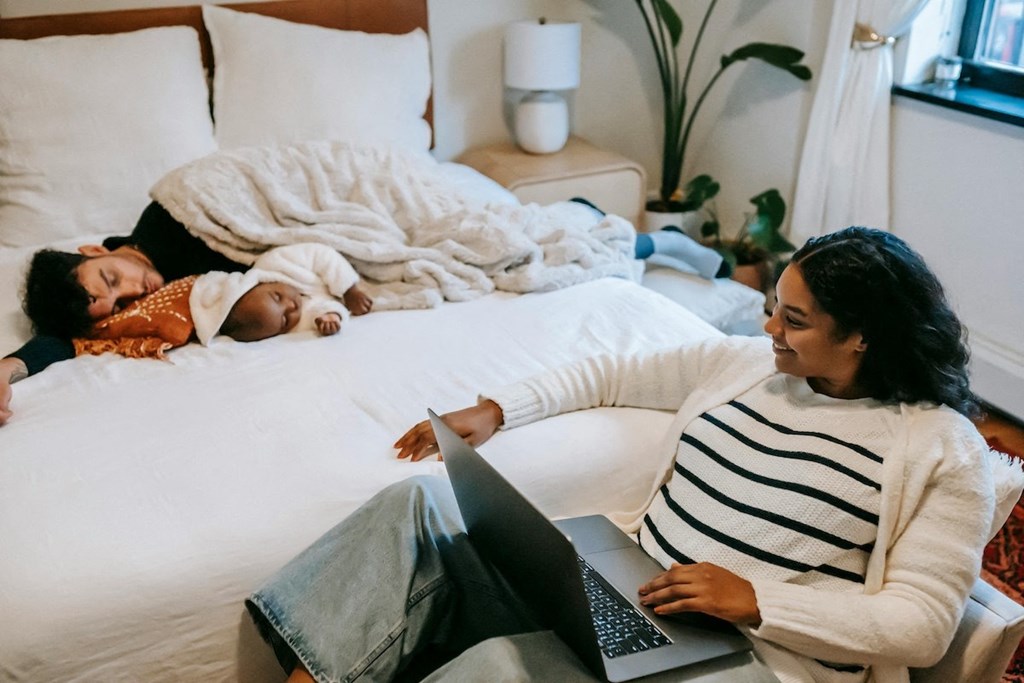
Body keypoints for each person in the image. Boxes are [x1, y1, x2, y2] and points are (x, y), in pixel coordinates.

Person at [243, 227, 1017, 683]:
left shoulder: (940, 447)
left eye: (796, 319)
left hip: (745, 659)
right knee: (411, 509)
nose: (770, 327)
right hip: (625, 598)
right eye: (773, 306)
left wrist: (753, 599)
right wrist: (498, 408)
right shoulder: (748, 364)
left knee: (499, 671)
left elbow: (920, 625)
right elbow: (617, 370)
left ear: (862, 337)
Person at [0, 202, 374, 425]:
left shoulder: (166, 219)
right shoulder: (149, 307)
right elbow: (66, 341)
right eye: (118, 306)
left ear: (95, 251)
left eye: (112, 278)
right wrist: (7, 367)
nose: (133, 292)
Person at [190, 243, 371, 344]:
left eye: (277, 297)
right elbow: (320, 310)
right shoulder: (295, 324)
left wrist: (349, 289)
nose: (291, 306)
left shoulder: (276, 262)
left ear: (258, 282)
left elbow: (322, 255)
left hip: (352, 266)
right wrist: (331, 317)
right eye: (284, 320)